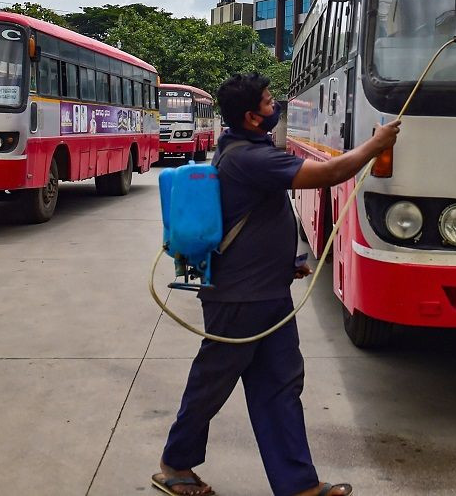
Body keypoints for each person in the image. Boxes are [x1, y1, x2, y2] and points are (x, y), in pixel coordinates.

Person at [153, 72, 400, 496]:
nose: (275, 106)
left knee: (280, 388)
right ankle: (175, 464)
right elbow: (330, 173)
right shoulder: (250, 158)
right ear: (251, 117)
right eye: (269, 103)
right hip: (240, 298)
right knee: (211, 386)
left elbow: (259, 218)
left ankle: (297, 485)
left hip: (267, 292)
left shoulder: (245, 147)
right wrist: (375, 146)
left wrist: (286, 263)